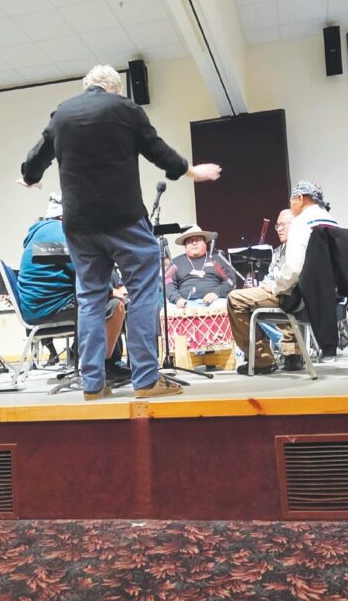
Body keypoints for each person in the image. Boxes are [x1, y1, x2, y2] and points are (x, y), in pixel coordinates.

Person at [20, 64, 221, 400]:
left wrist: (29, 178)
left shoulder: (62, 115)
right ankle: (145, 381)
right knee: (142, 292)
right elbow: (159, 151)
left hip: (80, 225)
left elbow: (34, 160)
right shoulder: (125, 108)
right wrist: (190, 172)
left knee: (89, 298)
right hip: (124, 220)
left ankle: (93, 386)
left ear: (87, 87)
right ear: (114, 89)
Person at [18, 192, 131, 386]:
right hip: (48, 307)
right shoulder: (59, 232)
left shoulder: (44, 230)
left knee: (105, 300)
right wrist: (112, 291)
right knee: (114, 305)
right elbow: (88, 269)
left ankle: (108, 364)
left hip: (41, 304)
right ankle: (104, 366)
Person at [228, 179, 340, 374]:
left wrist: (276, 287)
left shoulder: (301, 222)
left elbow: (294, 271)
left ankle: (261, 360)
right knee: (278, 292)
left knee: (235, 299)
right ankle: (291, 352)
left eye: (291, 202)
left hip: (303, 296)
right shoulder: (332, 222)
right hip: (332, 296)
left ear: (299, 198)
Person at [165, 225, 237, 309]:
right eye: (190, 240)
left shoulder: (216, 259)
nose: (194, 243)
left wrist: (216, 293)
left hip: (215, 302)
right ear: (185, 245)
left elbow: (230, 280)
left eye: (198, 239)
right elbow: (167, 282)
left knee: (224, 305)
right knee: (169, 309)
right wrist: (177, 299)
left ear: (205, 242)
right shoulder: (176, 263)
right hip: (185, 303)